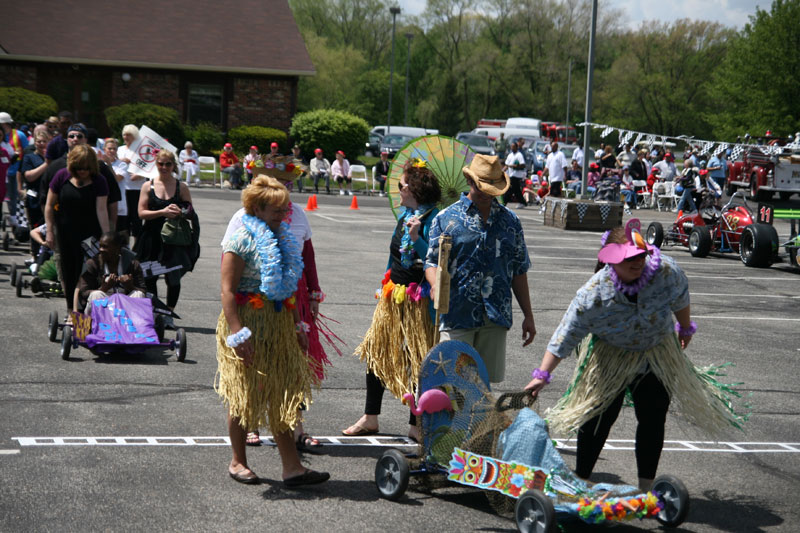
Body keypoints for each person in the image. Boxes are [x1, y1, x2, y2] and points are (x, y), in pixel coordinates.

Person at [525, 221, 745, 490]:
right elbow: (565, 334)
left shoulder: (666, 272)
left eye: (640, 255)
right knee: (599, 416)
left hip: (655, 353)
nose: (637, 262)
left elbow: (680, 297)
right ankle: (581, 479)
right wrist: (542, 375)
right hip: (610, 356)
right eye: (629, 258)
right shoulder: (594, 294)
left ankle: (646, 488)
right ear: (612, 260)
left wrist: (685, 327)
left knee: (653, 416)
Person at [216, 175, 329, 487]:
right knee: (244, 392)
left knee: (281, 391)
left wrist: (298, 326)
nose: (283, 215)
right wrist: (238, 333)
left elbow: (286, 290)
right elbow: (227, 290)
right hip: (247, 321)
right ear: (257, 209)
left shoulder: (284, 239)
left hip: (278, 321)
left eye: (285, 209)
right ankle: (238, 461)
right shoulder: (240, 239)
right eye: (276, 210)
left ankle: (292, 467)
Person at [343, 158, 441, 440]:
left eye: (402, 186)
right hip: (393, 296)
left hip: (418, 300)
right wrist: (383, 283)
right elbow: (394, 255)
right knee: (377, 351)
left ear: (416, 190)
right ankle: (370, 417)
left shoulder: (434, 219)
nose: (399, 191)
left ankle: (415, 424)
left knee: (418, 359)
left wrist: (417, 237)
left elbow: (435, 260)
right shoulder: (403, 216)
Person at [424, 154, 535, 383]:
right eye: (482, 186)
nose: (486, 193)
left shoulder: (510, 222)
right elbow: (432, 262)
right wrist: (435, 284)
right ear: (470, 182)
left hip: (495, 314)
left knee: (483, 385)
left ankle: (479, 420)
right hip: (456, 312)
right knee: (452, 382)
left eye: (492, 188)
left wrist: (528, 315)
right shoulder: (446, 219)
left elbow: (519, 269)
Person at [44, 145, 110, 313]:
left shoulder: (99, 181)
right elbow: (49, 206)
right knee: (69, 273)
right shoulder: (61, 177)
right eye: (79, 168)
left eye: (87, 168)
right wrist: (50, 231)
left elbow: (101, 210)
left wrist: (106, 237)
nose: (83, 171)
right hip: (65, 234)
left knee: (86, 272)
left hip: (90, 236)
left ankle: (83, 309)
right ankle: (70, 310)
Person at [135, 149, 198, 324]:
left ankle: (168, 313)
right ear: (156, 164)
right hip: (151, 238)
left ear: (173, 165)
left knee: (174, 278)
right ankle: (154, 311)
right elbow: (141, 213)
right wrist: (162, 211)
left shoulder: (181, 187)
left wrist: (181, 211)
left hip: (173, 240)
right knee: (149, 277)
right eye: (160, 164)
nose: (164, 167)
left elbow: (190, 211)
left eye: (168, 164)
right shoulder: (148, 186)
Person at [77, 231, 147, 313]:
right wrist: (104, 288)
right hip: (104, 308)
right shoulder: (92, 264)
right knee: (96, 294)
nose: (101, 250)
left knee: (138, 294)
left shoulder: (132, 264)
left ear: (117, 249)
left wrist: (130, 286)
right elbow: (83, 292)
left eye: (105, 247)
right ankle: (98, 323)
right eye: (100, 246)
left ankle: (135, 324)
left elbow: (143, 291)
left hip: (124, 307)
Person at [21, 129, 51, 257]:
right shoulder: (29, 157)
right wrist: (45, 164)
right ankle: (35, 254)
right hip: (34, 198)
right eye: (39, 141)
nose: (41, 144)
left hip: (49, 198)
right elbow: (29, 176)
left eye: (44, 141)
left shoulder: (55, 158)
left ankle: (46, 255)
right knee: (35, 226)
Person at [117, 125, 146, 240]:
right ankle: (125, 247)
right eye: (124, 134)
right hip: (123, 188)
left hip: (137, 189)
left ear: (134, 136)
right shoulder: (120, 149)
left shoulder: (141, 150)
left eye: (129, 135)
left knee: (136, 219)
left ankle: (137, 248)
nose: (126, 137)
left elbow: (149, 169)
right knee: (124, 219)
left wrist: (140, 175)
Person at [0, 111, 28, 227]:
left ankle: (15, 223)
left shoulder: (19, 135)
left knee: (14, 199)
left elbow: (27, 153)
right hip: (2, 174)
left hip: (14, 173)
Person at [103, 138, 129, 238]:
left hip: (119, 206)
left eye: (114, 149)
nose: (112, 151)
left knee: (119, 236)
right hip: (104, 204)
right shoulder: (100, 164)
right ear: (104, 149)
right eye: (109, 149)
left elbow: (117, 179)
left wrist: (109, 165)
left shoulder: (122, 165)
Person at [503, 142, 527, 207]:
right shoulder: (510, 155)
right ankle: (523, 203)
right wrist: (502, 171)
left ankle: (504, 203)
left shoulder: (519, 155)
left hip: (516, 175)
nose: (512, 148)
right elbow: (506, 165)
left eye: (513, 147)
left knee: (510, 189)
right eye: (511, 146)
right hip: (511, 174)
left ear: (516, 147)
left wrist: (514, 166)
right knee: (516, 190)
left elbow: (523, 165)